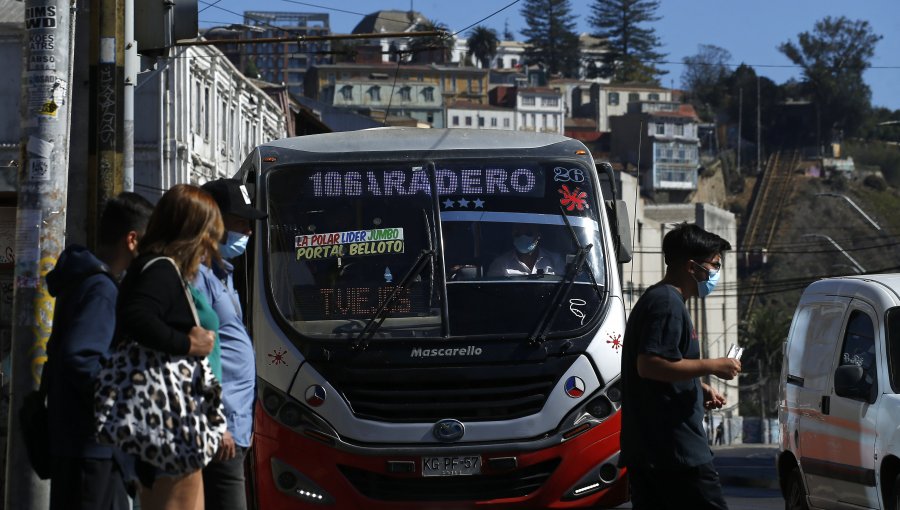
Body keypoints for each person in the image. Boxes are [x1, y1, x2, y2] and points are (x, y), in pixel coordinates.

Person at [117, 184, 225, 510]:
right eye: (209, 237)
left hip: (165, 423)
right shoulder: (162, 269)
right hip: (170, 425)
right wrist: (189, 343)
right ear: (192, 233)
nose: (210, 249)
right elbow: (137, 316)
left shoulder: (152, 266)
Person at [619, 222, 741, 510]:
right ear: (691, 267)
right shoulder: (666, 303)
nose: (715, 274)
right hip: (673, 451)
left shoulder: (662, 299)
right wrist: (713, 365)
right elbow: (649, 365)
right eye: (714, 265)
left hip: (656, 450)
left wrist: (697, 386)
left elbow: (665, 365)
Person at [45, 192, 154, 510]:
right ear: (132, 240)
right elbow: (81, 357)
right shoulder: (102, 291)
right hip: (92, 449)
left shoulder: (87, 283)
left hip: (82, 444)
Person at [195, 179, 266, 510]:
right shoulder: (196, 276)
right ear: (214, 221)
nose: (248, 231)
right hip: (219, 426)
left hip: (234, 425)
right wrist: (216, 420)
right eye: (240, 222)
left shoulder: (222, 273)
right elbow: (199, 356)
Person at [486, 223, 565, 277]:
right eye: (518, 234)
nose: (523, 238)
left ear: (538, 236)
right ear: (513, 236)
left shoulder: (555, 260)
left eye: (528, 233)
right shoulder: (501, 263)